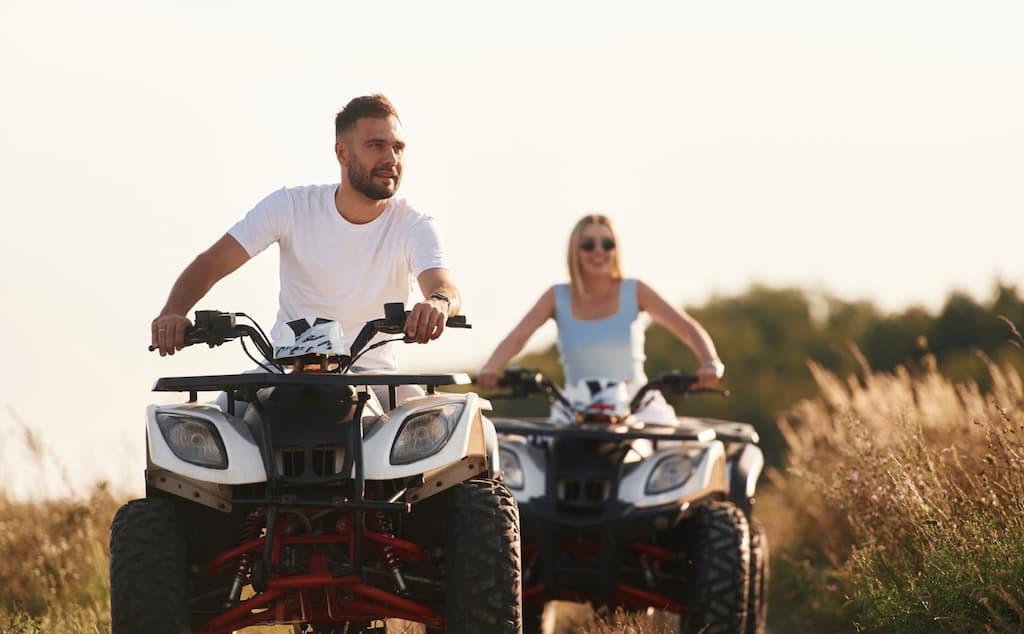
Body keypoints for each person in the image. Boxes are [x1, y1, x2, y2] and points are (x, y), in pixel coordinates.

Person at [150, 94, 460, 387]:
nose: (391, 158)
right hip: (285, 369)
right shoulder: (290, 207)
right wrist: (173, 312)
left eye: (398, 147)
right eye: (376, 145)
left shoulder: (413, 225)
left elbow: (443, 287)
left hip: (373, 377)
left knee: (441, 427)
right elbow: (212, 263)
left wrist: (438, 304)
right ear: (342, 152)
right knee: (212, 426)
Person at [477, 213, 724, 424]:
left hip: (636, 401)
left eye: (607, 243)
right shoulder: (557, 295)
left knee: (679, 458)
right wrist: (491, 367)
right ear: (575, 250)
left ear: (616, 250)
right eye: (588, 244)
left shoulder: (635, 290)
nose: (599, 251)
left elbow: (687, 328)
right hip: (575, 403)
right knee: (532, 461)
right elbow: (518, 336)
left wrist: (710, 362)